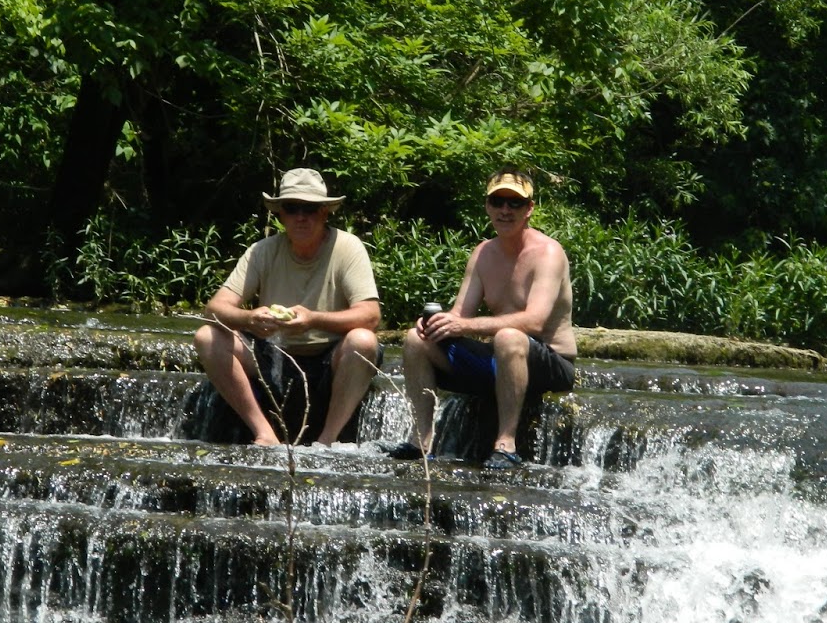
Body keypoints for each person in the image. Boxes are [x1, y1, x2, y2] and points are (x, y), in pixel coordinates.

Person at [398, 167, 577, 470]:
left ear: (529, 208)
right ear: (487, 206)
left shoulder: (548, 253)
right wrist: (437, 322)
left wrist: (464, 326)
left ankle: (505, 444)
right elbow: (459, 315)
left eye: (515, 203)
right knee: (416, 340)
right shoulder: (483, 253)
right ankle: (422, 442)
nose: (505, 210)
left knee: (508, 336)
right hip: (501, 361)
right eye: (497, 202)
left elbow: (534, 322)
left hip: (550, 362)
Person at [193, 169, 382, 446]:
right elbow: (215, 309)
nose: (301, 216)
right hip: (272, 354)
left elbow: (370, 315)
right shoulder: (263, 251)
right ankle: (264, 432)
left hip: (330, 358)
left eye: (310, 208)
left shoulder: (348, 247)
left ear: (325, 212)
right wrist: (249, 318)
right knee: (206, 337)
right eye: (292, 208)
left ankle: (327, 440)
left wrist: (313, 320)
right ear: (280, 214)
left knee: (363, 341)